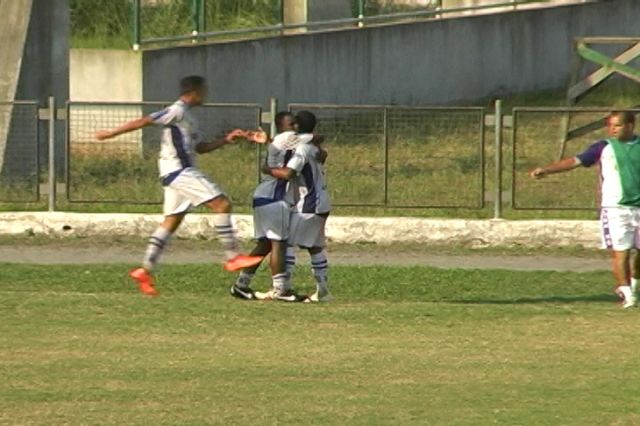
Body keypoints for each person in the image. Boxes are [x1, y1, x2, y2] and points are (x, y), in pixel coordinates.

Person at [95, 75, 263, 296]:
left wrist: (226, 139)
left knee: (171, 222)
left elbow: (200, 148)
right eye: (203, 90)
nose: (206, 94)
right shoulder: (178, 110)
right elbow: (145, 120)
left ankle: (145, 270)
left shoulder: (189, 118)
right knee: (222, 204)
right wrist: (110, 134)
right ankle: (232, 257)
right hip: (179, 171)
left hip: (175, 173)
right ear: (194, 92)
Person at [530, 110, 640, 308]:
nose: (612, 129)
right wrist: (547, 169)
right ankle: (627, 294)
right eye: (610, 125)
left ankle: (634, 283)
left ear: (630, 126)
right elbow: (575, 161)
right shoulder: (604, 147)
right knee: (621, 252)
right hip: (616, 209)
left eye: (617, 125)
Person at [230, 111, 312, 302]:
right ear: (282, 126)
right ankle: (281, 289)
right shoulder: (288, 138)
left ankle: (241, 285)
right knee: (279, 243)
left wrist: (268, 139)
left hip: (263, 196)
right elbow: (314, 137)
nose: (295, 127)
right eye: (291, 124)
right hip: (275, 197)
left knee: (265, 244)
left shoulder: (281, 141)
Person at [261, 110, 332, 303]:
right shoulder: (312, 145)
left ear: (298, 127)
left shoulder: (303, 148)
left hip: (309, 203)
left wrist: (268, 169)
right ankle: (323, 291)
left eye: (294, 125)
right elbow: (320, 152)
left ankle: (282, 289)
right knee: (315, 247)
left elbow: (288, 173)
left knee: (286, 244)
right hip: (322, 200)